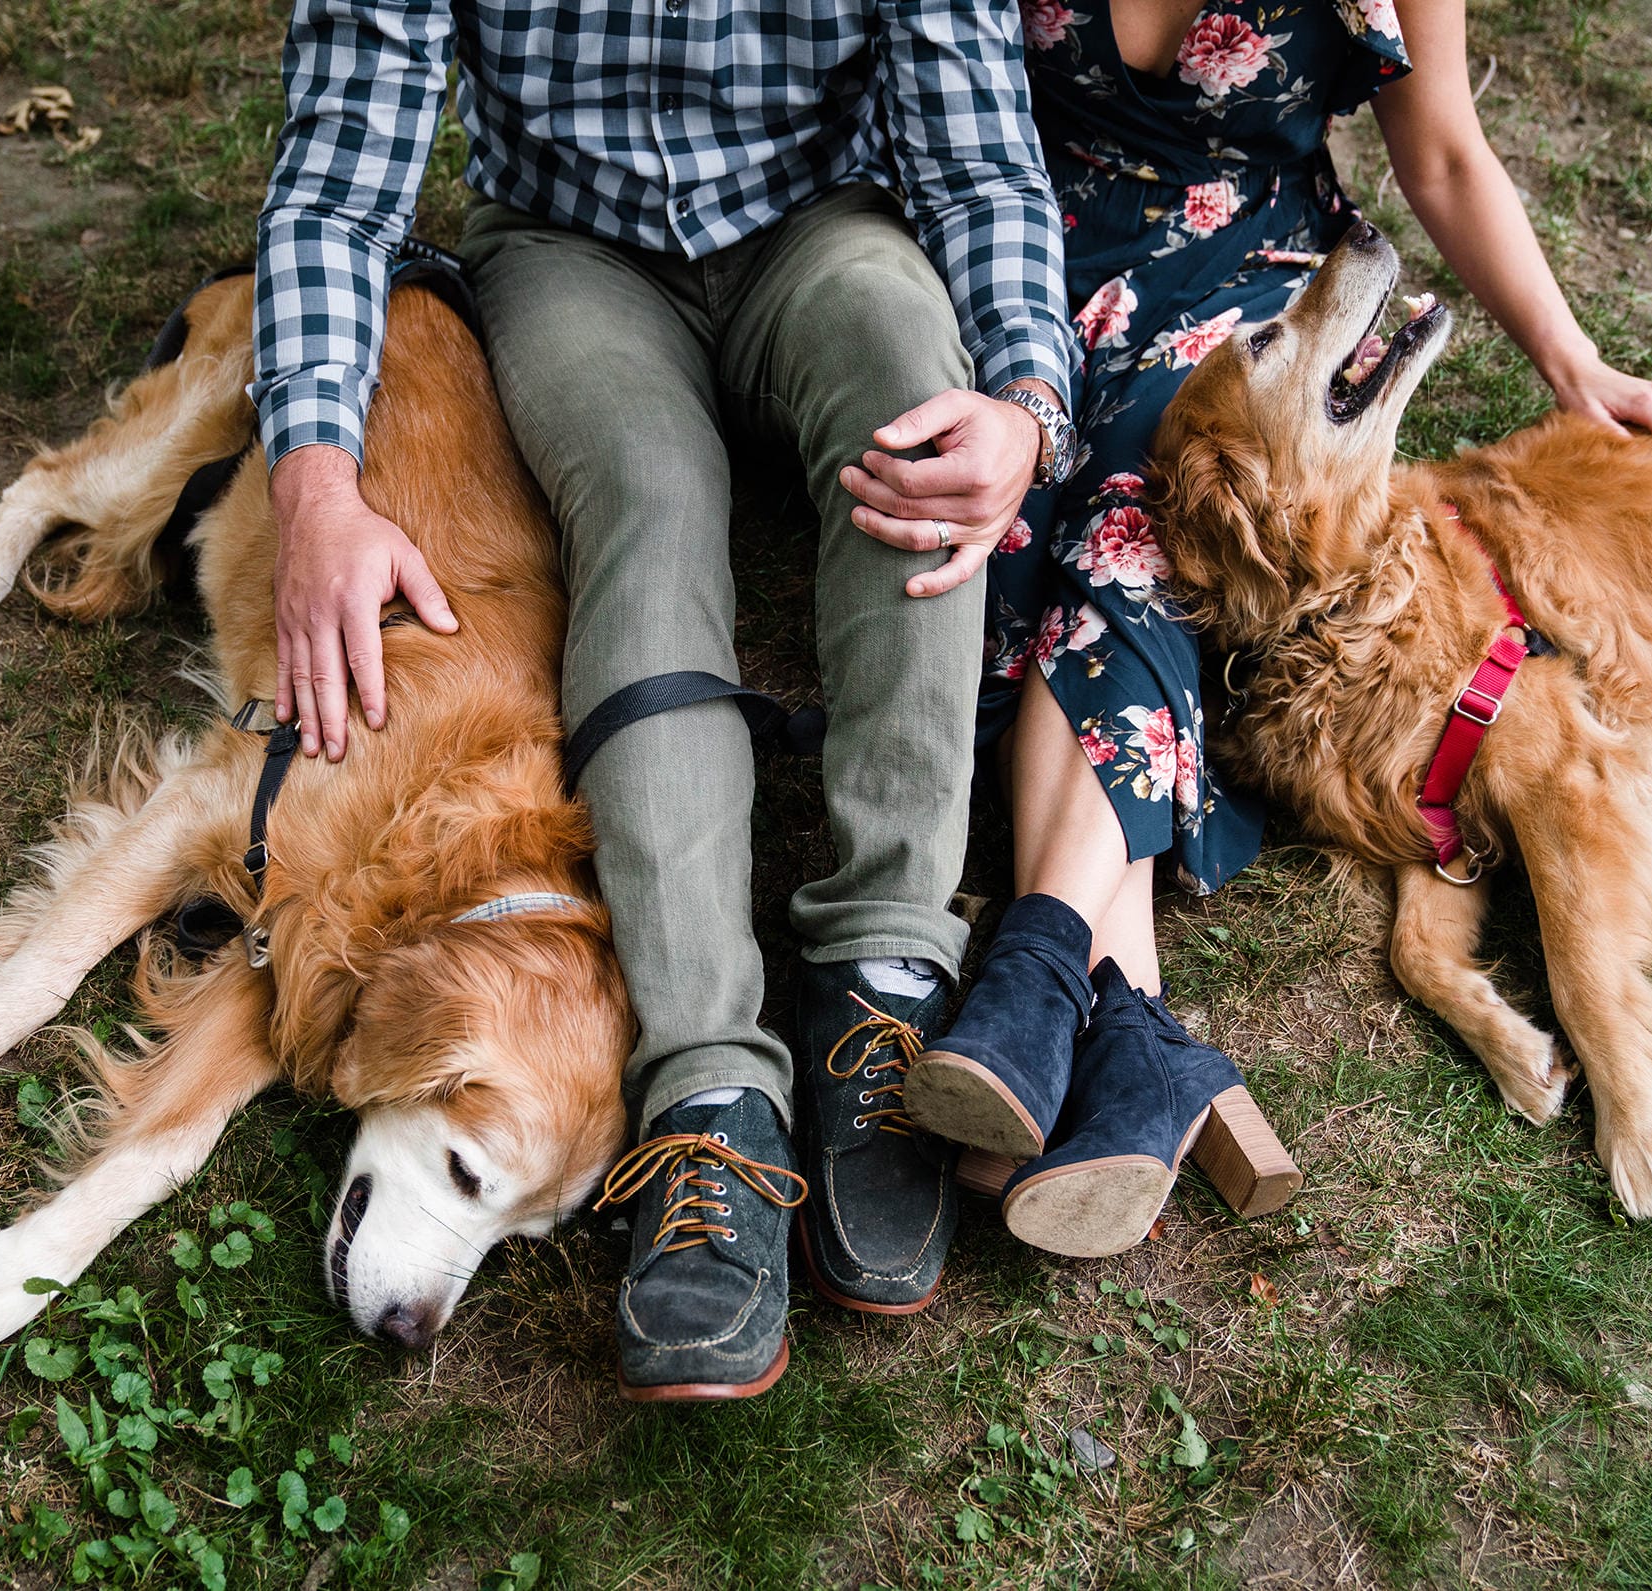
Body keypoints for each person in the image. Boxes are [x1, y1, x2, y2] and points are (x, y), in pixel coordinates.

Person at [252, 0, 1087, 1400]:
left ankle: (880, 972)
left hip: (819, 226)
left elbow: (982, 167)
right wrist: (315, 481)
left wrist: (1020, 401)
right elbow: (337, 185)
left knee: (912, 384)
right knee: (648, 493)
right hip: (572, 253)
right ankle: (706, 1082)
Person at [873, 0, 1652, 1256]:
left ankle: (1041, 959)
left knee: (1135, 514)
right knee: (1000, 554)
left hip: (1241, 295)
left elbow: (1437, 150)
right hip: (1009, 253)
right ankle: (1129, 1028)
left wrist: (1572, 360)